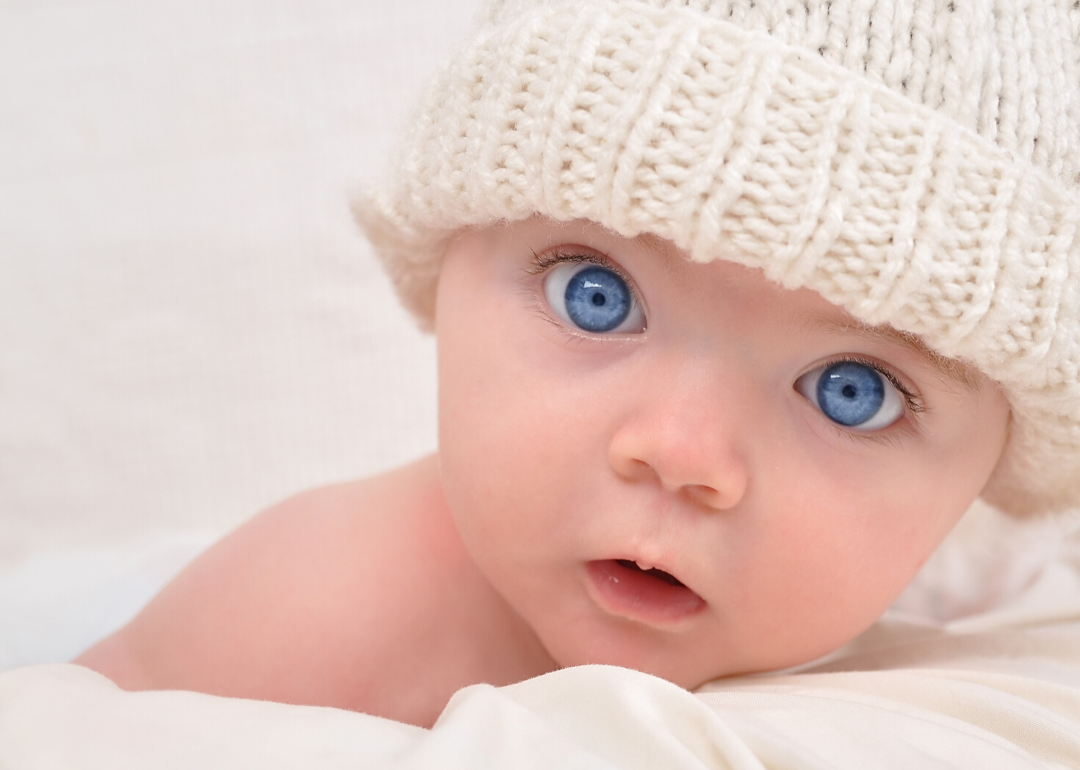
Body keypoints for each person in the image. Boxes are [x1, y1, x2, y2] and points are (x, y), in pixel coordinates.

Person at [74, 0, 1080, 730]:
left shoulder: (963, 627)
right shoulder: (315, 612)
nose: (682, 454)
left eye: (849, 391)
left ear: (989, 469)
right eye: (596, 296)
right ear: (448, 261)